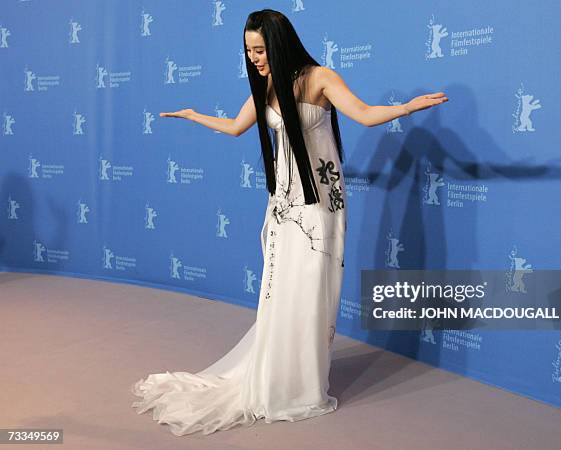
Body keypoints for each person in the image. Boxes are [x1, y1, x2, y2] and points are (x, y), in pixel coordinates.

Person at [131, 8, 448, 436]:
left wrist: (407, 107)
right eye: (248, 50)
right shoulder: (265, 86)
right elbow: (234, 128)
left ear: (279, 43)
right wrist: (193, 115)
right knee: (283, 289)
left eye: (260, 49)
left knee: (314, 285)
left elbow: (365, 114)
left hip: (321, 203)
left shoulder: (319, 78)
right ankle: (281, 376)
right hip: (284, 206)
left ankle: (303, 380)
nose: (255, 58)